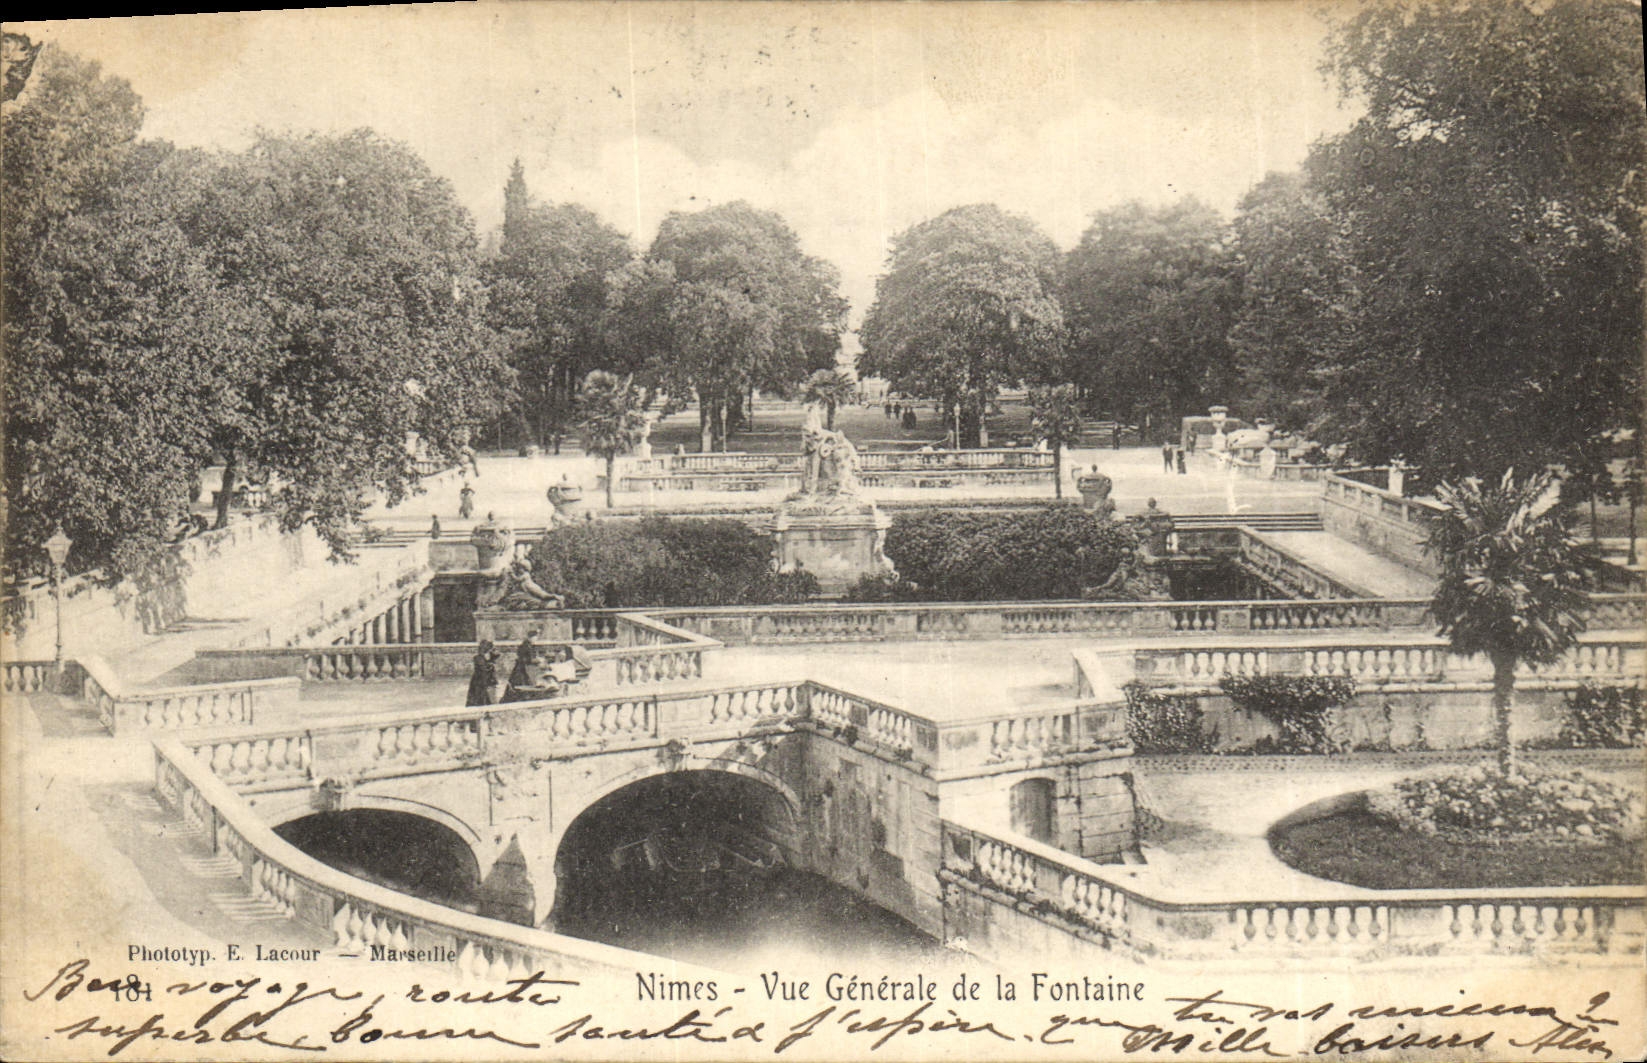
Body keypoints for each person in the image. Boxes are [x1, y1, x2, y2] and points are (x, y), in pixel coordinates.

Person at [465, 639, 500, 706]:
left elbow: (498, 654)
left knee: (491, 696)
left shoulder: (490, 657)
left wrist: (493, 651)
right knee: (479, 697)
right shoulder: (478, 658)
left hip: (489, 680)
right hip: (480, 681)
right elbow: (483, 668)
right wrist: (490, 663)